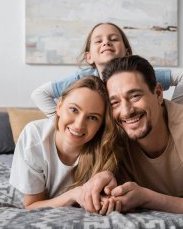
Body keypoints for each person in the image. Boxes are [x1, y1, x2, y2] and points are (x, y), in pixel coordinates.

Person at [80, 55, 183, 215]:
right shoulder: (113, 131)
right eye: (115, 102)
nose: (126, 111)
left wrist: (147, 198)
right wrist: (102, 175)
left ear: (158, 93)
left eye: (135, 96)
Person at [9, 76, 125, 214]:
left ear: (100, 125)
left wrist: (105, 198)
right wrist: (73, 194)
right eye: (74, 110)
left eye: (93, 117)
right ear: (59, 106)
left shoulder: (105, 146)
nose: (79, 125)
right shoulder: (34, 137)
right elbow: (31, 205)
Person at [31, 22, 183, 118]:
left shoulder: (140, 75)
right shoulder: (81, 80)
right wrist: (58, 121)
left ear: (128, 52)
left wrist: (173, 115)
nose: (106, 43)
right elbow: (39, 94)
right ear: (89, 57)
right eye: (98, 41)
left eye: (114, 39)